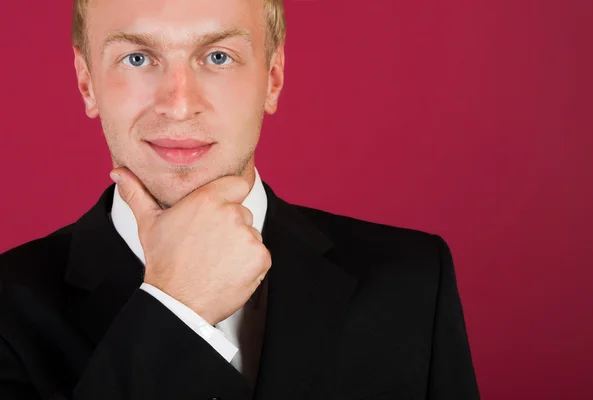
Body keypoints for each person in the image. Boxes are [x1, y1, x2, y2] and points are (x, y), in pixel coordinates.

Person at [0, 0, 480, 398]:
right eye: (138, 58)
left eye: (218, 57)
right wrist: (176, 309)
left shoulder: (414, 279)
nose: (179, 103)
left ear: (272, 78)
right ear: (87, 83)